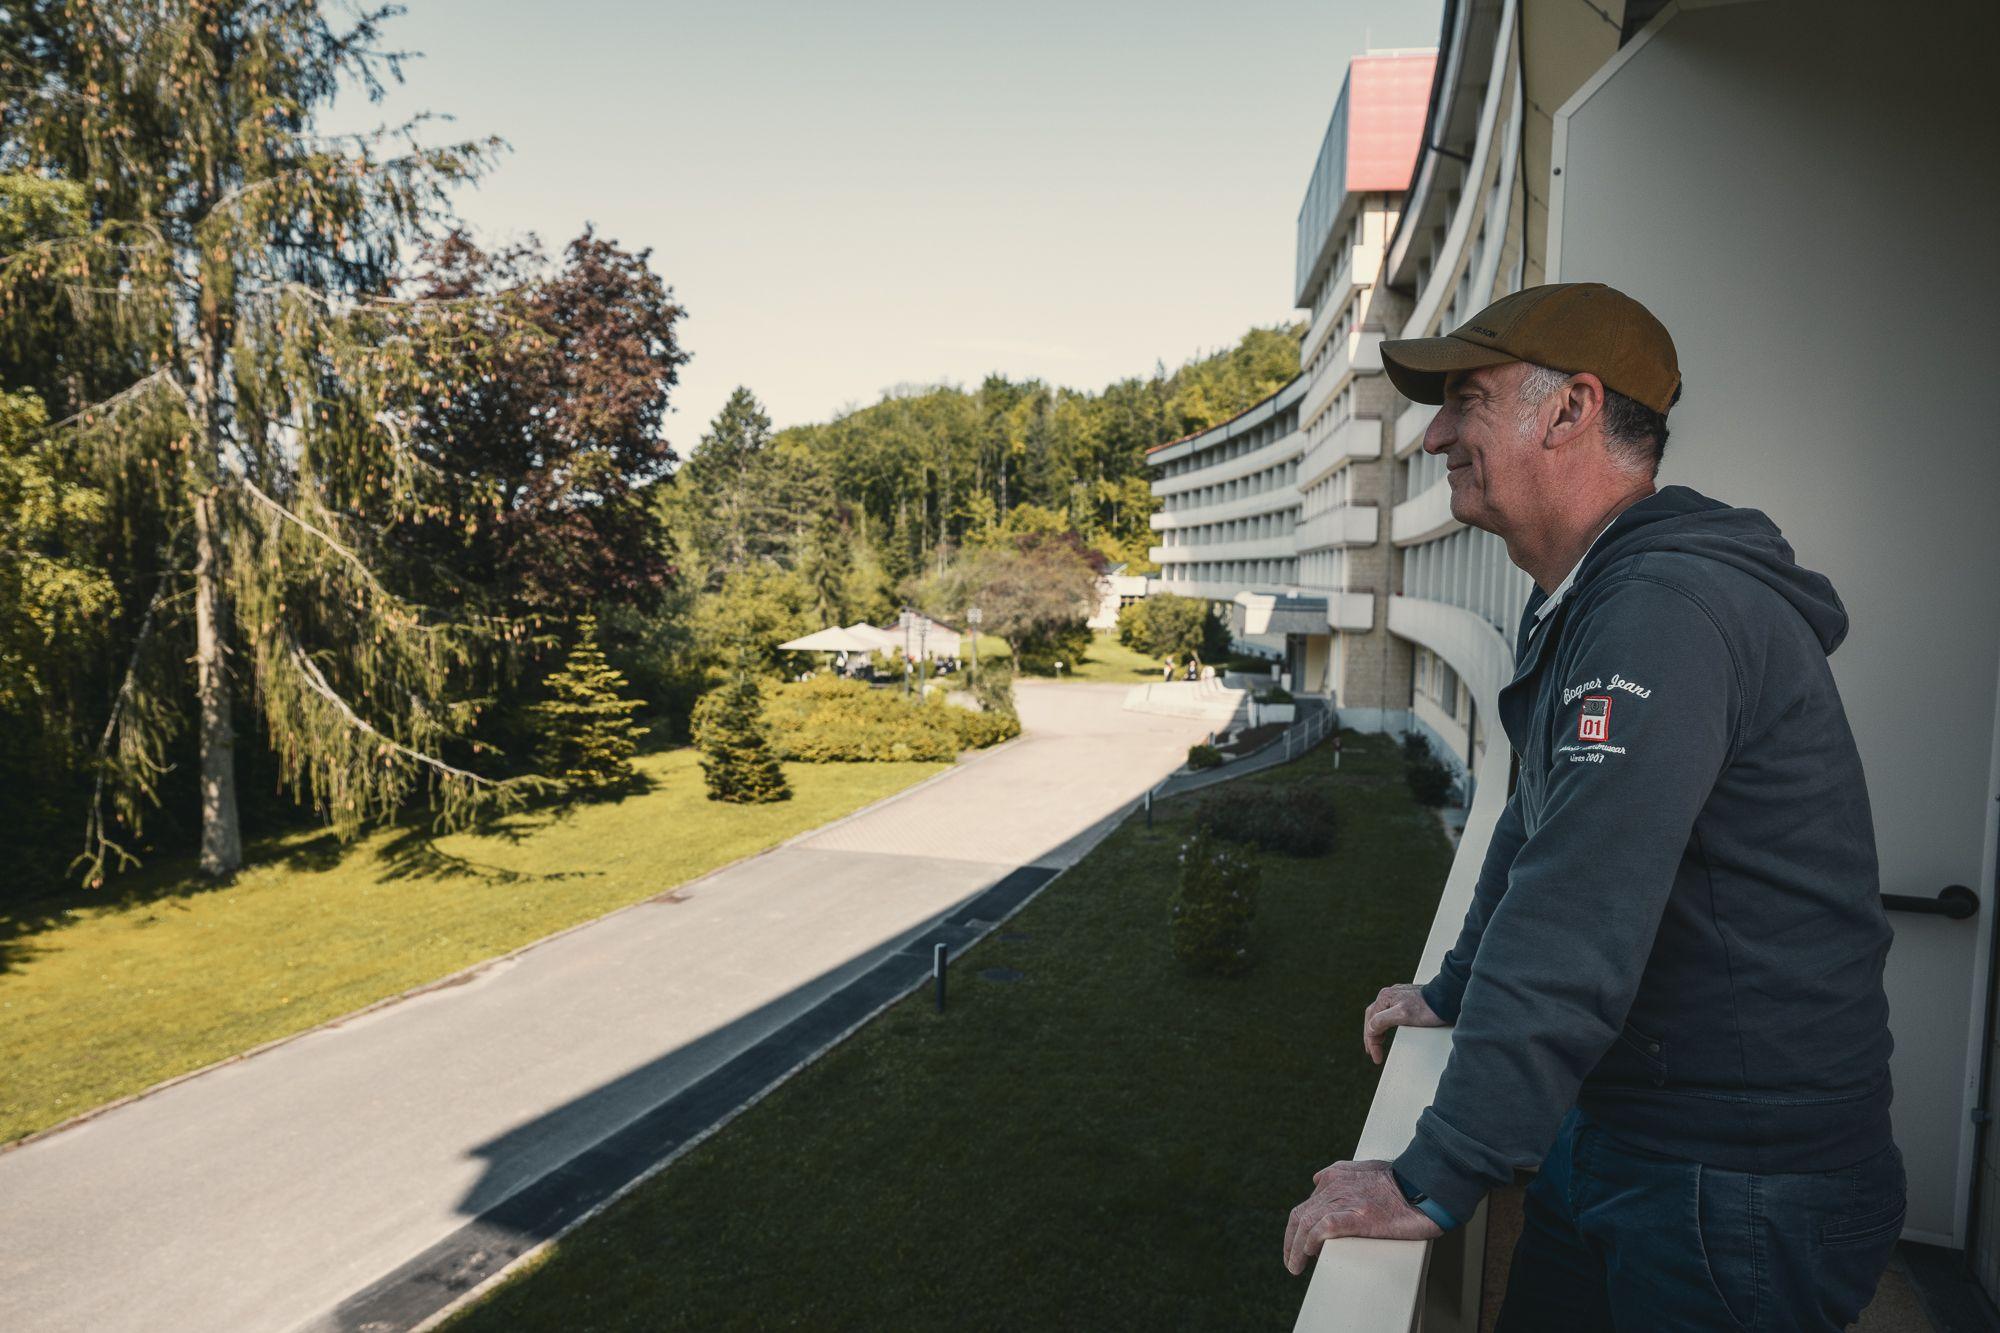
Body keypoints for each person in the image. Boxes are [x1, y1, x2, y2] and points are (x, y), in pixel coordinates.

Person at [1281, 283, 1901, 1330]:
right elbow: (1537, 821)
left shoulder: (1659, 613)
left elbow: (1578, 907)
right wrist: (1458, 985)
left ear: (1568, 410)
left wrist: (1431, 1174)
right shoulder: (1585, 594)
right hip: (1624, 1130)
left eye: (1463, 401)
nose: (1433, 437)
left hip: (1730, 1183)